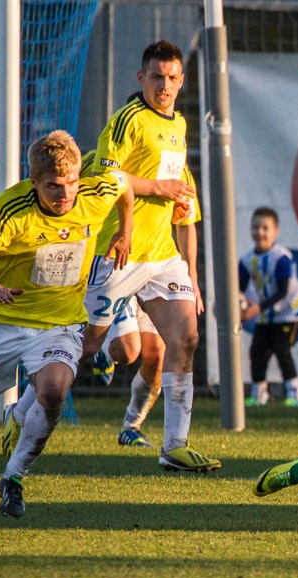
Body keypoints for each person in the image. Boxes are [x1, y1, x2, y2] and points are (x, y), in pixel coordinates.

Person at [4, 39, 219, 472]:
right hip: (118, 253)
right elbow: (105, 177)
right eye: (157, 76)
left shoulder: (177, 127)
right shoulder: (127, 121)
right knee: (86, 344)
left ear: (182, 82)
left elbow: (184, 210)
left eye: (173, 77)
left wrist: (193, 274)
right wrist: (157, 191)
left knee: (187, 338)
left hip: (161, 256)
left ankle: (174, 445)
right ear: (141, 78)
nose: (165, 85)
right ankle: (19, 411)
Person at [0, 130, 133, 518]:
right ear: (34, 182)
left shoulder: (94, 195)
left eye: (70, 184)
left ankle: (12, 479)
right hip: (4, 320)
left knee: (54, 391)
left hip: (59, 324)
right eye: (52, 186)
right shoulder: (11, 210)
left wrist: (125, 231)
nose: (64, 194)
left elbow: (125, 185)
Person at [87, 149, 204, 450]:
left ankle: (132, 426)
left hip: (158, 269)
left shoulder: (177, 166)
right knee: (128, 351)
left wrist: (192, 276)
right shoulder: (100, 162)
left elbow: (186, 222)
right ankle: (101, 350)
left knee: (157, 354)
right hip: (119, 265)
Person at [238, 206, 298, 407]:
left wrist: (257, 308)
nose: (260, 232)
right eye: (255, 227)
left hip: (288, 314)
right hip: (265, 315)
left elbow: (283, 291)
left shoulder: (281, 257)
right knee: (257, 352)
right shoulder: (246, 260)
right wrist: (238, 309)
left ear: (275, 232)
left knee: (281, 349)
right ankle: (259, 395)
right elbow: (239, 290)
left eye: (265, 228)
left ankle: (295, 395)